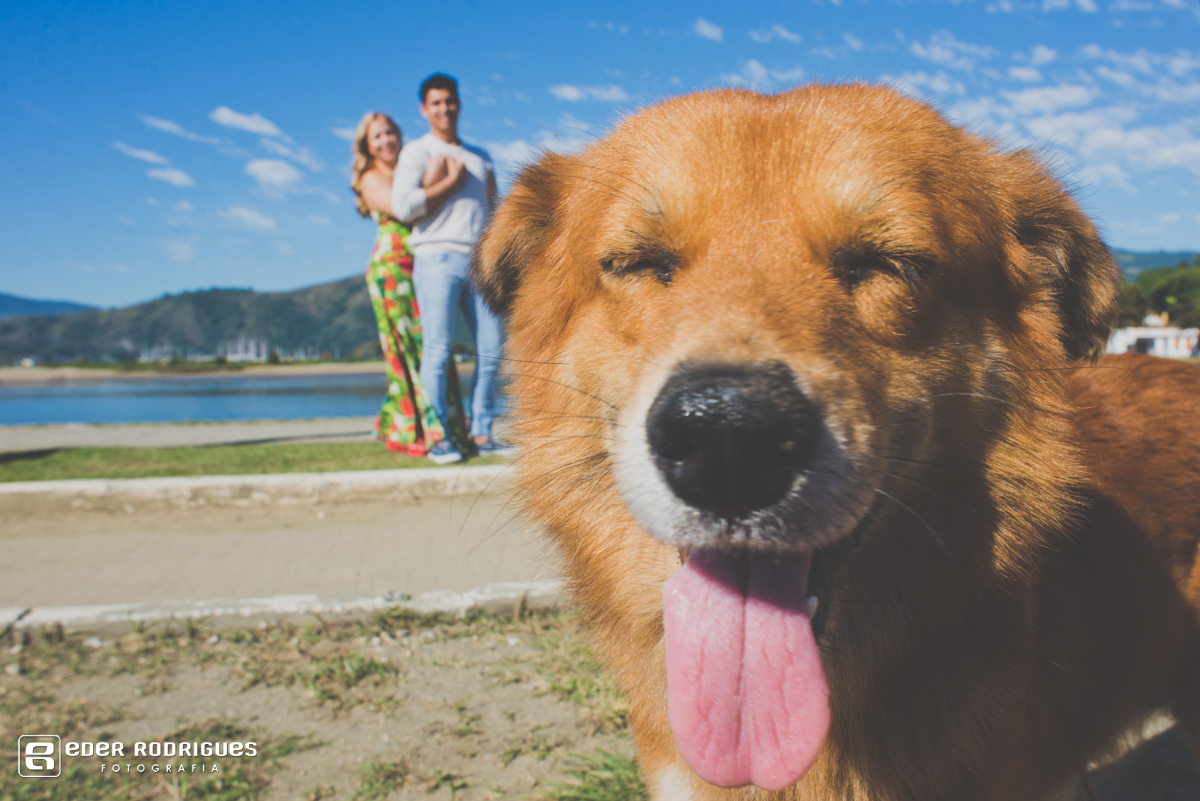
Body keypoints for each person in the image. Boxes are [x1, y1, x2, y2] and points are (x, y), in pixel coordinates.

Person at [392, 72, 512, 465]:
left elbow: (494, 210)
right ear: (424, 109)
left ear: (459, 104)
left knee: (493, 349)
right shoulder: (416, 152)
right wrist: (447, 183)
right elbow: (403, 207)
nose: (444, 108)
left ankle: (482, 430)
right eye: (436, 102)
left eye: (450, 100)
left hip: (479, 261)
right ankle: (438, 435)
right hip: (436, 257)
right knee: (438, 350)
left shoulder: (481, 157)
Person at [351, 111, 470, 457]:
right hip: (394, 270)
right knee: (411, 348)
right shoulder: (371, 178)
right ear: (368, 146)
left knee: (435, 344)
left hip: (424, 262)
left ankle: (448, 428)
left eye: (390, 133)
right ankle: (424, 430)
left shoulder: (409, 170)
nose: (386, 140)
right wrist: (440, 182)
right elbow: (405, 211)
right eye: (377, 137)